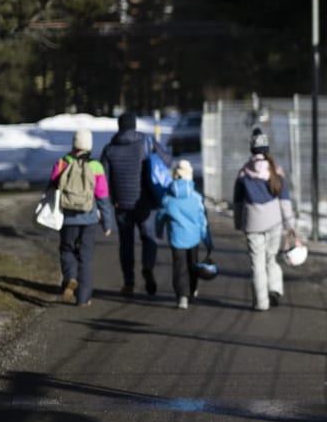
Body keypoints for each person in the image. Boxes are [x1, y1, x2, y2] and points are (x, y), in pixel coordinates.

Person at [100, 111, 169, 297]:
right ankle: (148, 266)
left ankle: (128, 282)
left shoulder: (109, 149)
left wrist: (107, 204)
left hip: (121, 204)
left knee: (126, 243)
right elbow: (167, 161)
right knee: (148, 238)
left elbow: (103, 181)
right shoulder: (146, 143)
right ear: (134, 126)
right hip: (144, 202)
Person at [233, 127, 297, 311]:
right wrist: (290, 224)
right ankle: (275, 290)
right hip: (274, 222)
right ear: (267, 149)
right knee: (271, 259)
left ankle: (261, 302)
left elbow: (237, 202)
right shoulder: (275, 171)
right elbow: (284, 200)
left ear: (251, 149)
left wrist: (239, 223)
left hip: (252, 223)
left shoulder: (244, 173)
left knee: (257, 264)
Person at [49, 129, 114, 306]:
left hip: (67, 218)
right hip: (89, 219)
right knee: (86, 257)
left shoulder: (62, 163)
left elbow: (52, 187)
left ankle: (70, 277)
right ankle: (83, 298)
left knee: (67, 250)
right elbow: (102, 196)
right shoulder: (96, 166)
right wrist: (107, 222)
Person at [155, 160, 212, 310]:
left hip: (176, 238)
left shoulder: (168, 198)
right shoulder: (196, 198)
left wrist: (159, 230)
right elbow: (202, 220)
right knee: (193, 265)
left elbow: (160, 216)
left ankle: (182, 296)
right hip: (193, 238)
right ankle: (192, 291)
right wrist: (207, 239)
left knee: (180, 267)